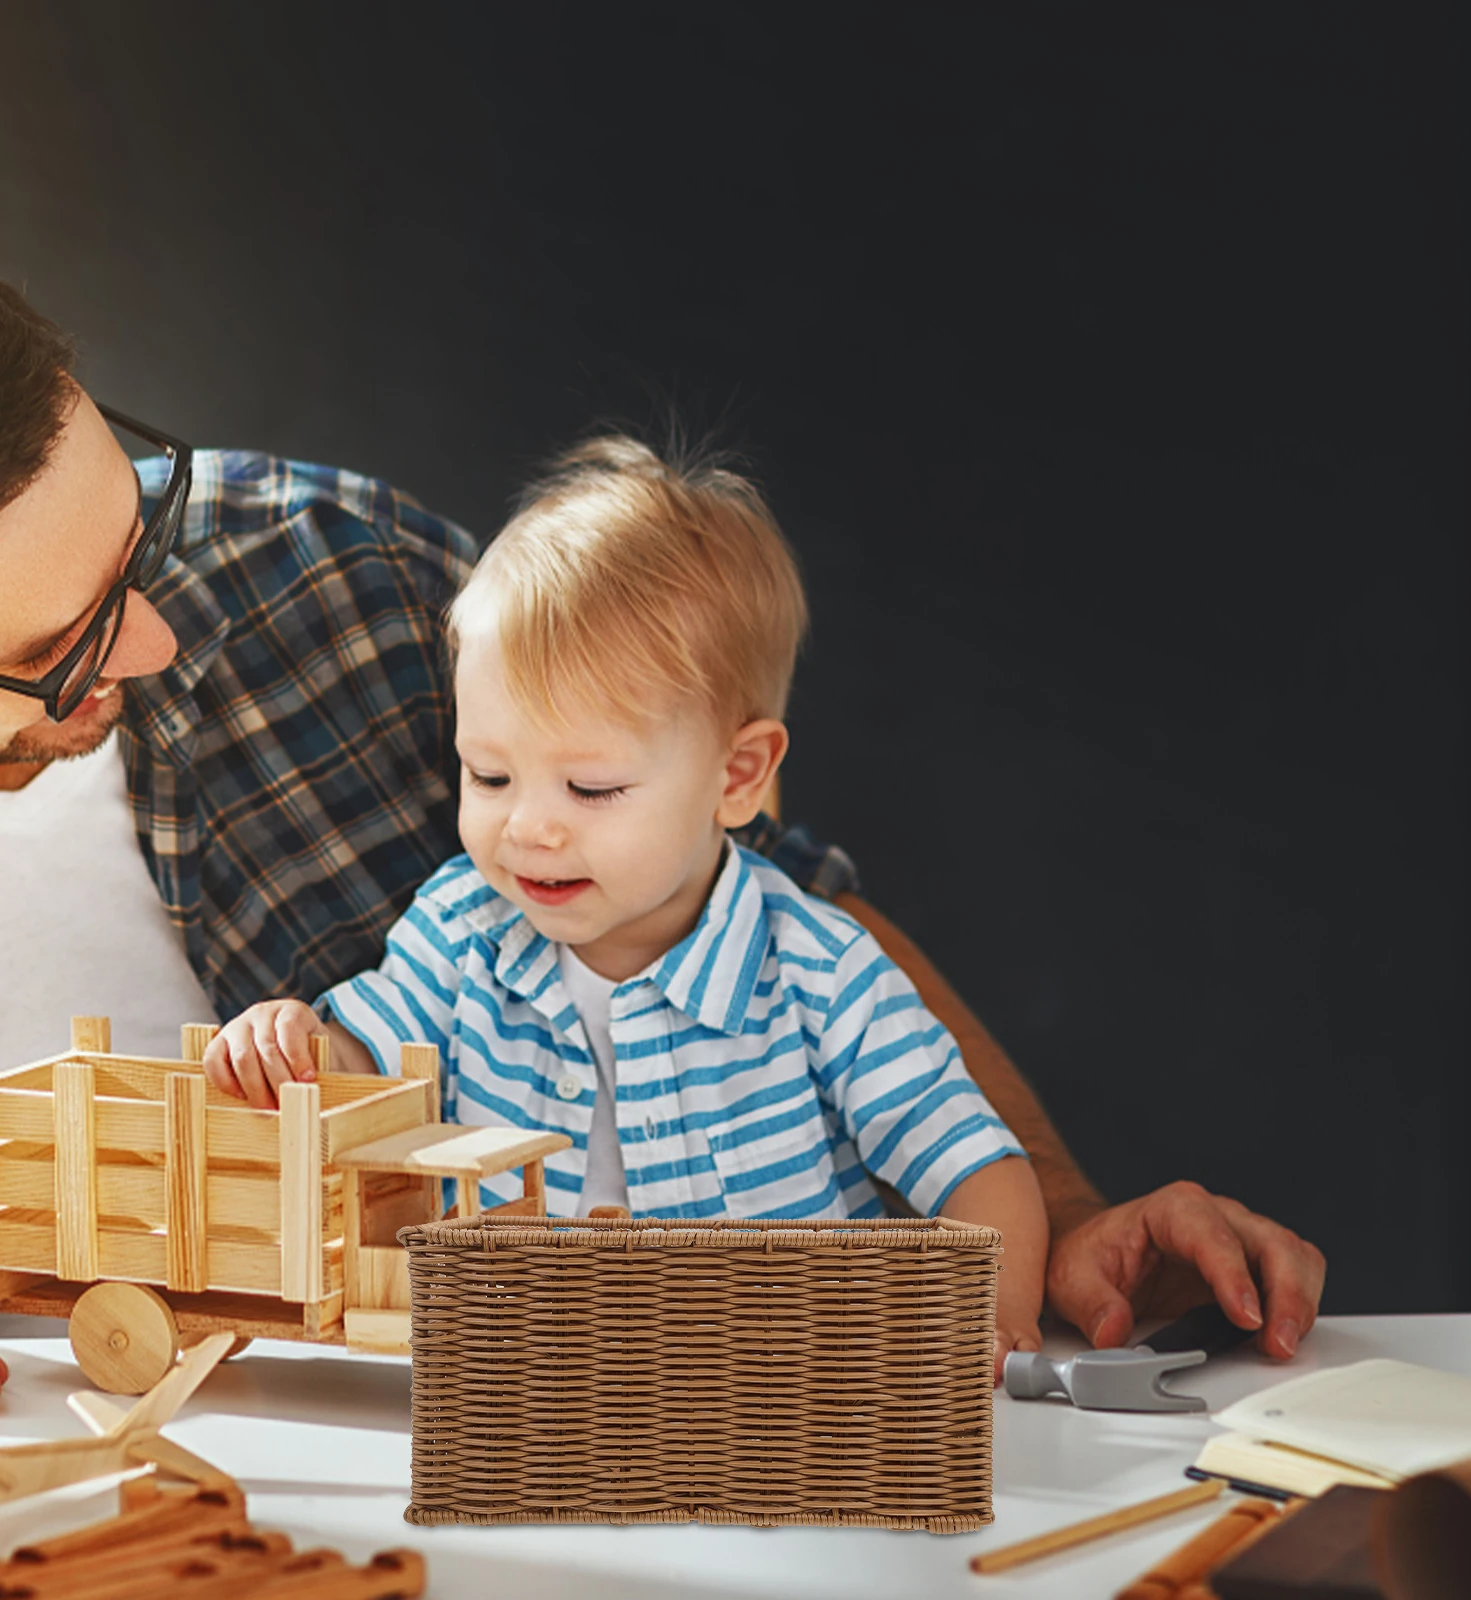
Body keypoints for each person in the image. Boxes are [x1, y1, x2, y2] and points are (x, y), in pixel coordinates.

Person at [0, 279, 1325, 1359]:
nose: (164, 638)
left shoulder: (319, 584)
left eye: (137, 543)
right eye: (66, 646)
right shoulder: (471, 927)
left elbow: (769, 899)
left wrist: (1057, 1234)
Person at [204, 436, 1052, 1374]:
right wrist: (293, 1047)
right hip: (533, 1385)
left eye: (592, 789)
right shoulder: (460, 929)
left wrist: (996, 1323)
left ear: (737, 777)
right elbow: (363, 1065)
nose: (528, 828)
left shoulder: (821, 970)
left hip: (770, 1391)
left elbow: (978, 1170)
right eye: (488, 774)